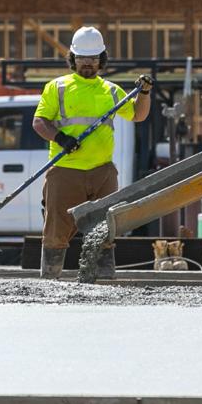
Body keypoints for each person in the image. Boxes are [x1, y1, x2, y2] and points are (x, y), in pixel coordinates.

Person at [31, 26, 152, 280]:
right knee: (56, 229)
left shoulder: (110, 90)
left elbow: (138, 114)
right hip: (65, 170)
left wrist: (144, 92)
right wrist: (61, 137)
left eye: (93, 58)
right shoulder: (58, 87)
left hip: (102, 173)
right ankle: (50, 280)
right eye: (83, 58)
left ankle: (104, 279)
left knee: (104, 229)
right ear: (73, 59)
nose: (88, 64)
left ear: (101, 60)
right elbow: (40, 122)